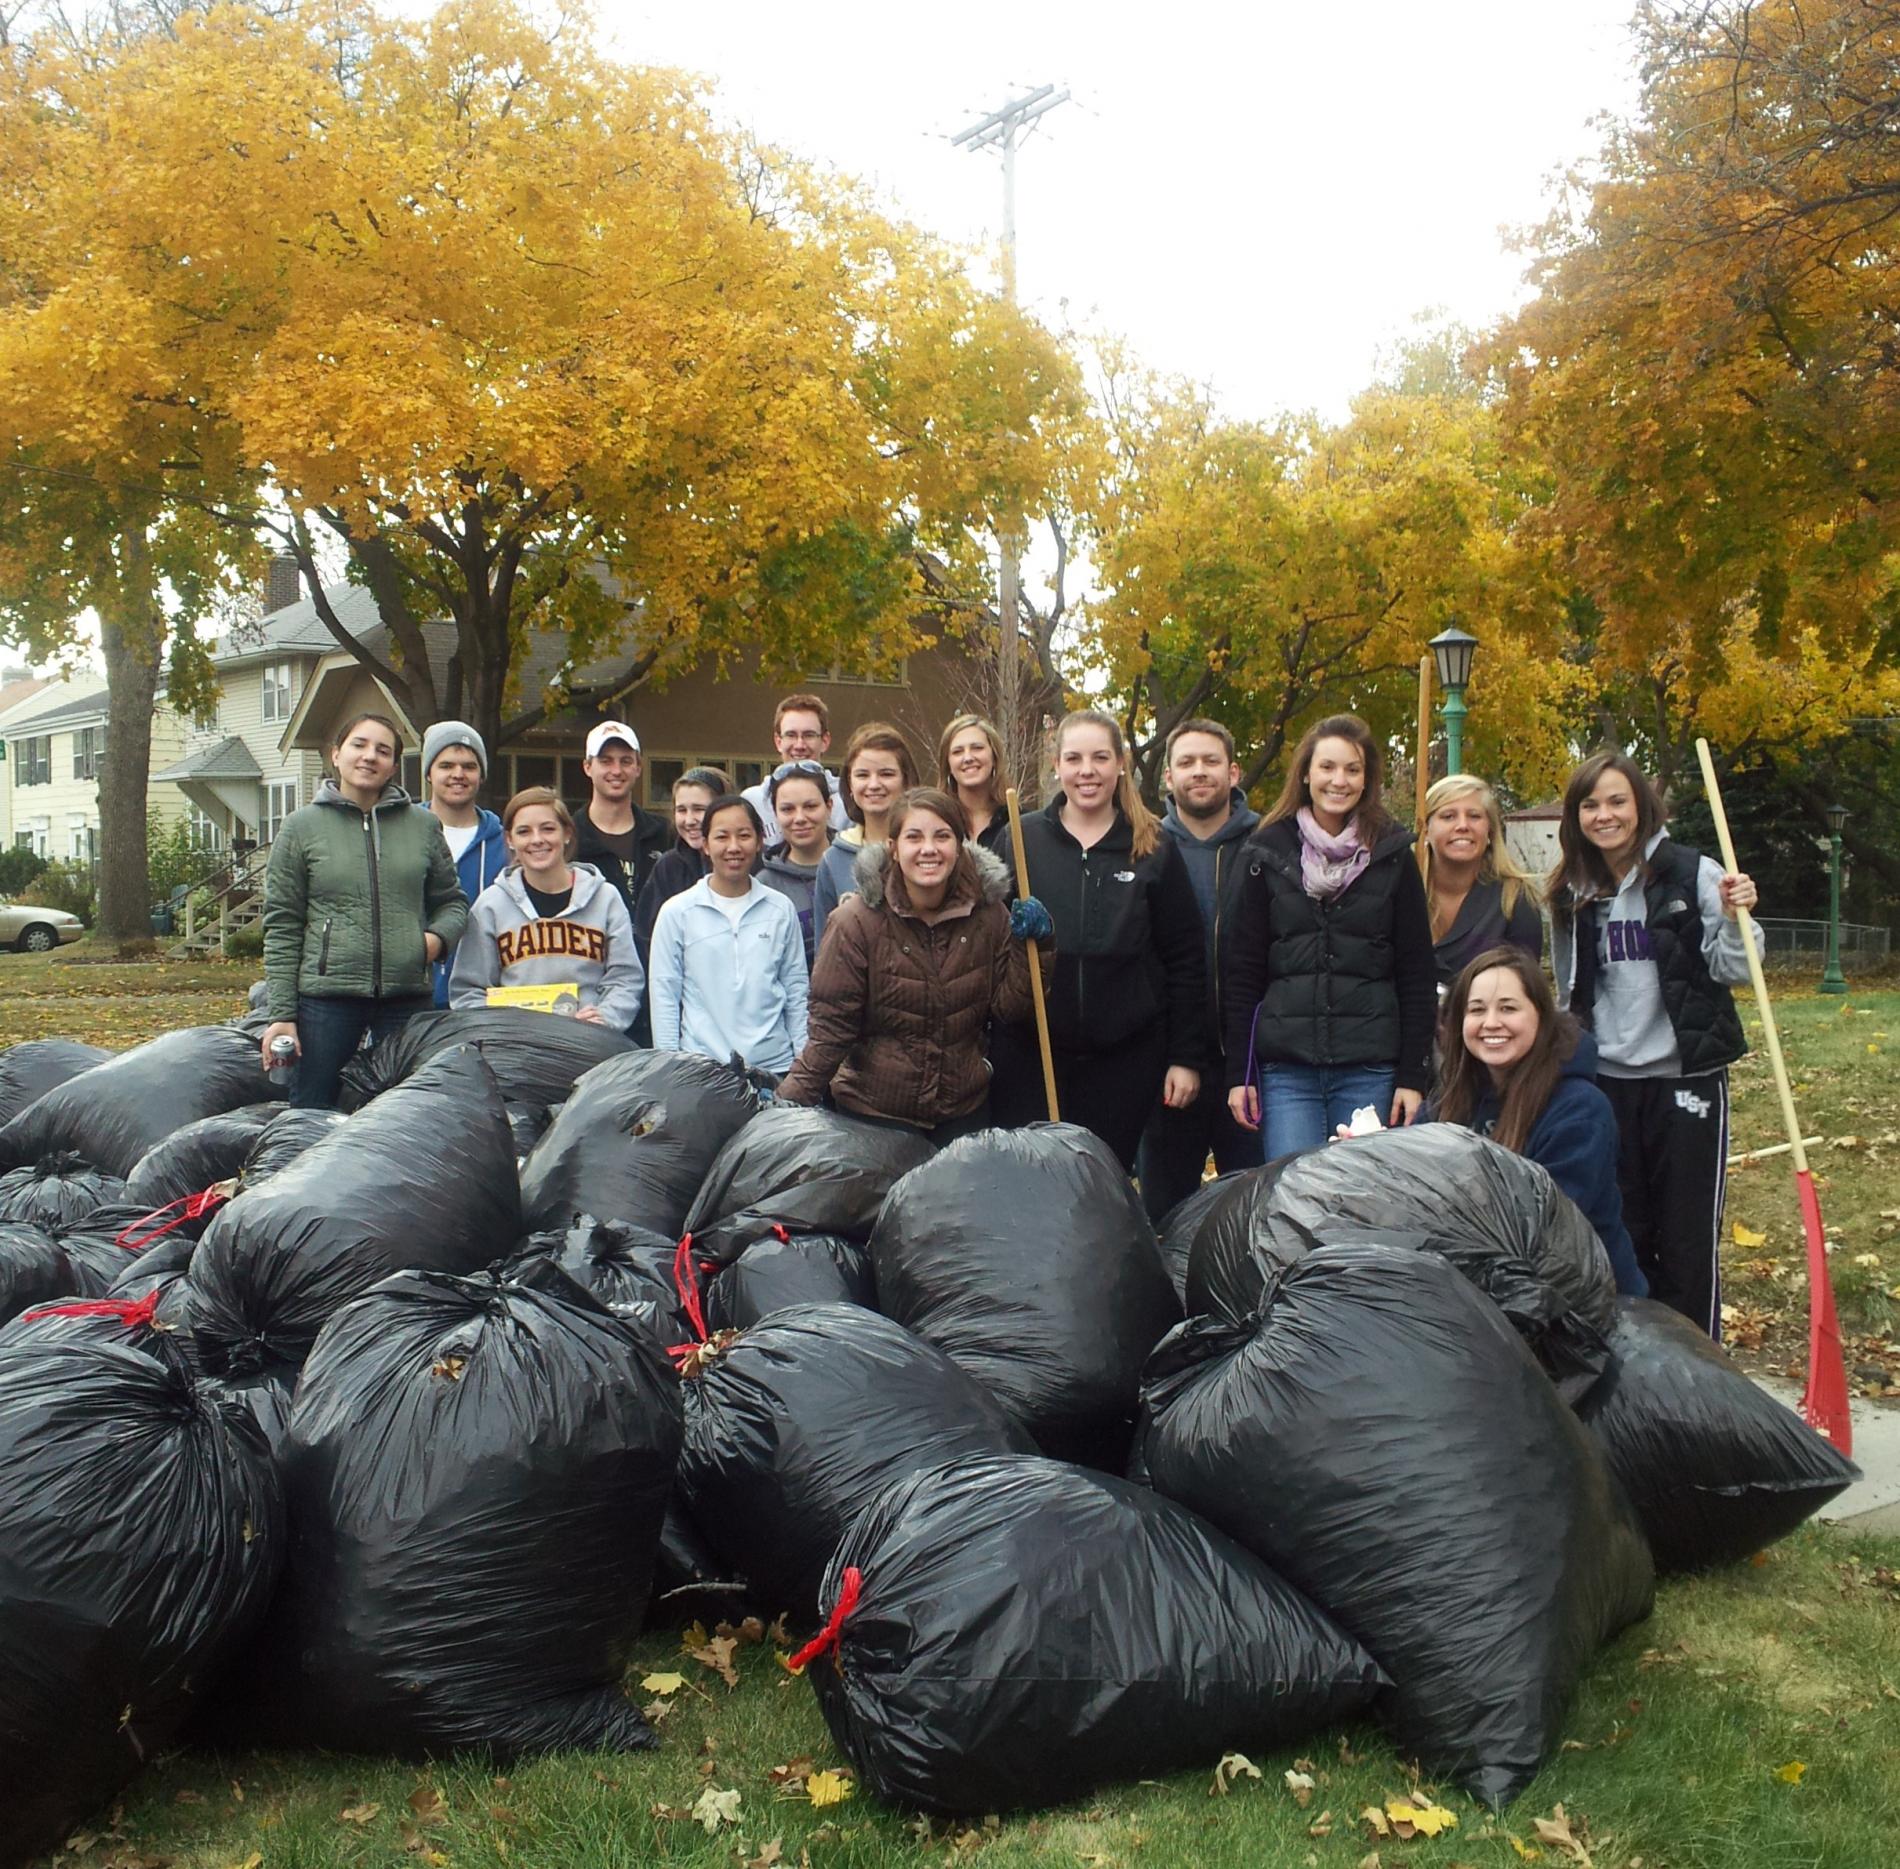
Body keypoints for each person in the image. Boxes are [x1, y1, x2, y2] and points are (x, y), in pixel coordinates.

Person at [1548, 751, 1759, 1338]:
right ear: (1576, 816)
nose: (1604, 815)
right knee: (1624, 1232)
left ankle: (1700, 1375)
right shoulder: (1573, 892)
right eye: (1590, 804)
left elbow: (1736, 967)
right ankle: (1640, 1376)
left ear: (1641, 806)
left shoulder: (1694, 873)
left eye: (1617, 801)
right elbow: (1569, 990)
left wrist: (1740, 916)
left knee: (1687, 1239)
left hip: (1685, 1078)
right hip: (1609, 1083)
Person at [992, 709, 1206, 1171]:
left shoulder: (1152, 846)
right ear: (1057, 765)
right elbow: (984, 946)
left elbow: (1186, 957)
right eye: (1074, 758)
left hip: (1124, 1059)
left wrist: (1186, 1057)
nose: (1087, 771)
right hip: (1035, 1054)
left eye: (1100, 757)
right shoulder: (1020, 839)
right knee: (1035, 1181)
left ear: (1121, 763)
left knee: (1100, 1183)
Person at [779, 788, 1053, 1145]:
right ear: (893, 847)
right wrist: (787, 1104)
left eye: (942, 836)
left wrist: (1035, 947)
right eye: (914, 837)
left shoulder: (988, 916)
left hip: (962, 1112)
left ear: (960, 844)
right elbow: (831, 1030)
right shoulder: (855, 923)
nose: (929, 849)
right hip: (874, 1117)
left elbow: (1011, 1007)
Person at [1223, 713, 1436, 1158]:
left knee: (1360, 1203)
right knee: (1294, 1198)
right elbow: (1242, 972)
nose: (1338, 780)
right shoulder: (1266, 853)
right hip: (1287, 1070)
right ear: (1305, 773)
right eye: (1327, 767)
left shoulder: (1392, 855)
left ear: (1366, 779)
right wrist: (1239, 1074)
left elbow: (1416, 972)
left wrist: (1412, 1077)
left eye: (1352, 769)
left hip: (1369, 1066)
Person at [259, 711, 468, 1108]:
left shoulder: (422, 826)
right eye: (359, 745)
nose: (370, 756)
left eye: (383, 750)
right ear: (336, 755)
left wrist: (434, 942)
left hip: (405, 999)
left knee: (406, 1113)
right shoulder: (301, 828)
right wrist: (282, 1014)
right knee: (311, 1110)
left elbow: (452, 902)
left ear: (393, 766)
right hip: (326, 1000)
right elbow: (283, 924)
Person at [1426, 946, 1648, 1296]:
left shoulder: (1581, 1109)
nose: (1491, 1023)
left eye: (1508, 1008)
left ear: (1541, 1017)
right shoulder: (1452, 1096)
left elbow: (1546, 1230)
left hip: (1585, 1300)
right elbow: (1410, 1167)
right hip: (1488, 1288)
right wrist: (1368, 1155)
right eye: (1476, 1010)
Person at [1136, 717, 1262, 1220]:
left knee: (1251, 1210)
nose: (1199, 772)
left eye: (1211, 761)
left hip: (1251, 1062)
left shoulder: (1267, 845)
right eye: (1186, 762)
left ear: (1233, 772)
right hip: (1170, 1062)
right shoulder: (1144, 847)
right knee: (1166, 1212)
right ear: (1168, 778)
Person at [447, 788, 645, 1031]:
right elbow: (468, 992)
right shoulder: (490, 906)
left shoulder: (605, 898)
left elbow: (626, 978)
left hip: (590, 1044)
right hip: (517, 1051)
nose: (537, 839)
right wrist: (501, 1029)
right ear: (509, 840)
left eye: (548, 828)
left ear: (567, 833)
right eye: (524, 831)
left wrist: (605, 1018)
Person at [649, 795, 809, 1076]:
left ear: (760, 841)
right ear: (706, 845)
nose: (733, 847)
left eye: (744, 835)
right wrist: (669, 1070)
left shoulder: (780, 908)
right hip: (701, 1070)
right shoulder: (677, 912)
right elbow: (664, 996)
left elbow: (796, 990)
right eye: (722, 837)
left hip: (775, 1068)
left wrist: (803, 1067)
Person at [1420, 773, 1543, 990]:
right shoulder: (1400, 892)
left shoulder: (1514, 899)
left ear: (1490, 831)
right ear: (1426, 830)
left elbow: (1525, 989)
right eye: (1448, 816)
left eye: (1474, 816)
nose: (1462, 826)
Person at [421, 720, 507, 1007]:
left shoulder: (505, 844)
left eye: (469, 766)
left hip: (484, 1000)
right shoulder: (403, 836)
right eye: (446, 765)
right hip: (412, 1000)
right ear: (429, 773)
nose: (458, 774)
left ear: (481, 775)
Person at [812, 722, 919, 950]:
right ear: (849, 784)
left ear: (906, 780)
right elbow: (827, 949)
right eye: (862, 775)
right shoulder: (833, 861)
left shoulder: (928, 851)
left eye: (886, 774)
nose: (874, 784)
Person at [572, 721, 670, 926]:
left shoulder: (664, 834)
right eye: (606, 761)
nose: (616, 771)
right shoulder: (569, 837)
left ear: (638, 767)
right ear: (587, 767)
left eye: (625, 761)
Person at [633, 766, 729, 969]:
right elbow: (647, 938)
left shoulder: (745, 862)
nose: (689, 820)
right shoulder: (668, 867)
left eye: (699, 809)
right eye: (681, 810)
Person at [741, 693, 849, 845]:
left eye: (809, 735)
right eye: (791, 735)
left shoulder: (847, 802)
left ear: (825, 741)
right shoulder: (753, 802)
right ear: (778, 741)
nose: (799, 745)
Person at [756, 760, 834, 966]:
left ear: (829, 807)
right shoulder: (764, 885)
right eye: (788, 809)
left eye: (810, 806)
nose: (799, 818)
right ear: (775, 814)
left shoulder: (855, 867)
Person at [937, 713, 1012, 854]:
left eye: (977, 748)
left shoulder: (1018, 822)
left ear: (994, 757)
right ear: (947, 764)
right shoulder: (936, 821)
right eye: (958, 752)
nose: (968, 758)